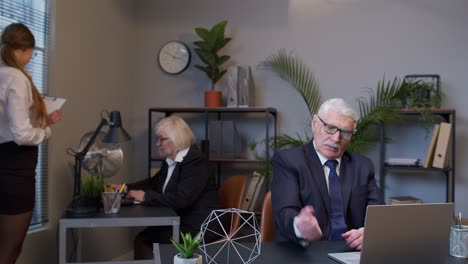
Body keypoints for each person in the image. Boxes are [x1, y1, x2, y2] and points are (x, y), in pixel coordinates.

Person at [270, 98, 382, 250]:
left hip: (351, 252)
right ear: (315, 124)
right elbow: (285, 213)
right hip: (304, 252)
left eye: (345, 133)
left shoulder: (362, 166)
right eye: (330, 128)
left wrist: (370, 233)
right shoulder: (289, 161)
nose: (336, 138)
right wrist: (299, 227)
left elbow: (378, 213)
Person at [114, 115, 221, 259]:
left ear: (176, 138)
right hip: (181, 221)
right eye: (157, 139)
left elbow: (181, 199)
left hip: (199, 227)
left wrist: (145, 196)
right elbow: (154, 182)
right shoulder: (171, 160)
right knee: (142, 238)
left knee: (144, 240)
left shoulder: (195, 162)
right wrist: (125, 188)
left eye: (161, 139)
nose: (157, 144)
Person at [0, 23, 61, 263]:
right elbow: (22, 134)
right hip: (14, 170)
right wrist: (45, 131)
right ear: (25, 50)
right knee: (10, 248)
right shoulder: (17, 77)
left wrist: (42, 119)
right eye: (31, 53)